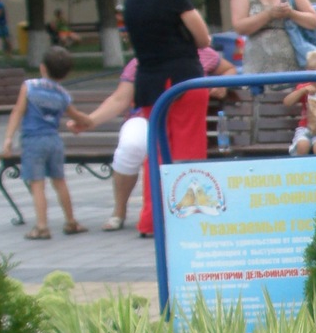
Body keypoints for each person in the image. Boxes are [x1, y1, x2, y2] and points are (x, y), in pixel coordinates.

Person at [122, 0, 213, 237]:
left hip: (149, 82)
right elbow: (203, 38)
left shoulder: (131, 0)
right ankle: (188, 218)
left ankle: (152, 220)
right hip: (184, 79)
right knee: (188, 149)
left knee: (157, 153)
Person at [76, 45, 224, 229]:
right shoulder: (143, 59)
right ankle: (120, 210)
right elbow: (120, 99)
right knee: (131, 145)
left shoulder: (202, 53)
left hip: (186, 122)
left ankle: (178, 214)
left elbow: (228, 68)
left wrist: (221, 84)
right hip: (146, 118)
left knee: (180, 156)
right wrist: (91, 121)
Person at [0, 45, 92, 239]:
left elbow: (18, 111)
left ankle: (42, 226)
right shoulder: (63, 95)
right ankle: (71, 221)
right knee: (60, 181)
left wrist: (8, 139)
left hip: (32, 141)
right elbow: (76, 115)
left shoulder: (29, 87)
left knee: (37, 184)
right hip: (54, 141)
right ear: (65, 74)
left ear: (42, 67)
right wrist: (87, 121)